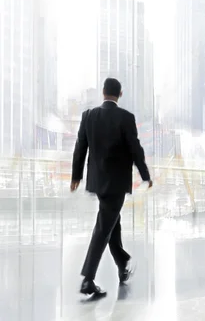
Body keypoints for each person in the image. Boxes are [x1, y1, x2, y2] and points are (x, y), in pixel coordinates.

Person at [71, 78, 152, 298]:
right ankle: (88, 279)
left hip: (98, 182)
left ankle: (122, 264)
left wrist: (76, 175)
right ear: (120, 94)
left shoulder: (88, 116)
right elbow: (136, 150)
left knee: (110, 224)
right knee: (103, 228)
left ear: (104, 92)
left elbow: (80, 147)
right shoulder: (126, 118)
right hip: (117, 184)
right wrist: (145, 175)